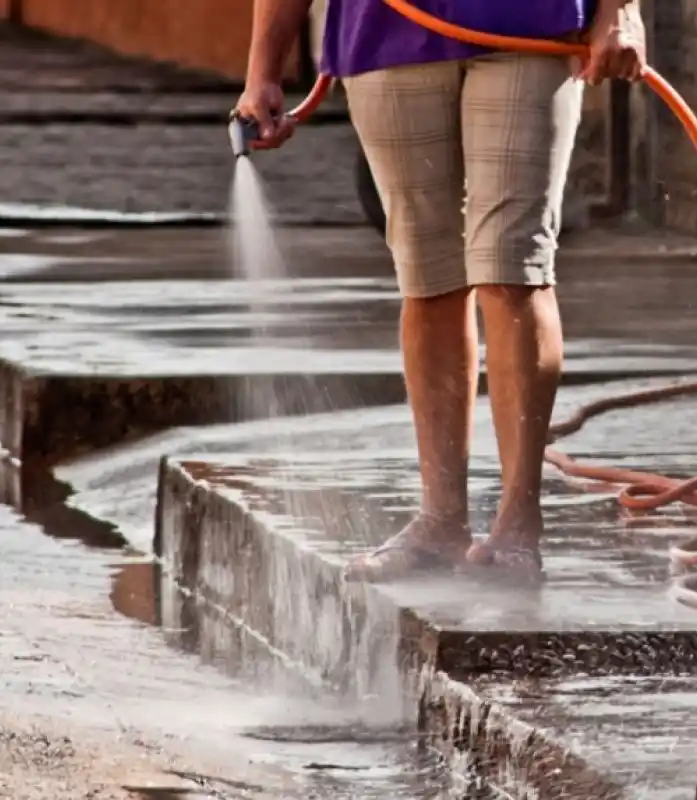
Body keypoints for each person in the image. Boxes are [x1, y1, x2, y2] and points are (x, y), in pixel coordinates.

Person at [237, 0, 646, 583]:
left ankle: (517, 523)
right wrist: (263, 70)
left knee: (513, 266)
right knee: (427, 277)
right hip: (385, 34)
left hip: (530, 24)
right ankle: (440, 520)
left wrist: (619, 9)